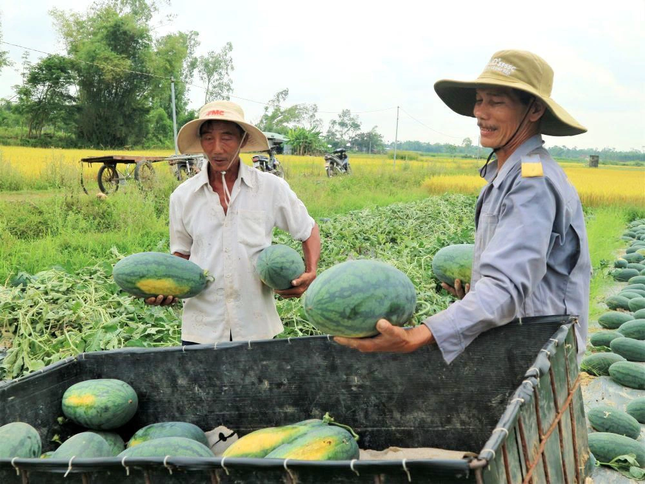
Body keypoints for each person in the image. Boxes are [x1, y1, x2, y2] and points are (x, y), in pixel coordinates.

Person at [335, 50, 591, 364]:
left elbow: (507, 287)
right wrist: (477, 291)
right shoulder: (509, 174)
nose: (481, 113)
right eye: (479, 100)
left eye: (496, 102)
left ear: (534, 109)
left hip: (539, 351)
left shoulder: (531, 181)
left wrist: (420, 334)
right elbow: (518, 272)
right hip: (523, 342)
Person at [147, 100, 320, 345]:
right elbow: (181, 255)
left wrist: (310, 271)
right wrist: (166, 286)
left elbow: (308, 229)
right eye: (208, 138)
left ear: (242, 140)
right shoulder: (182, 196)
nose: (217, 148)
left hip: (256, 325)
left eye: (226, 138)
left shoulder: (270, 188)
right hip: (202, 328)